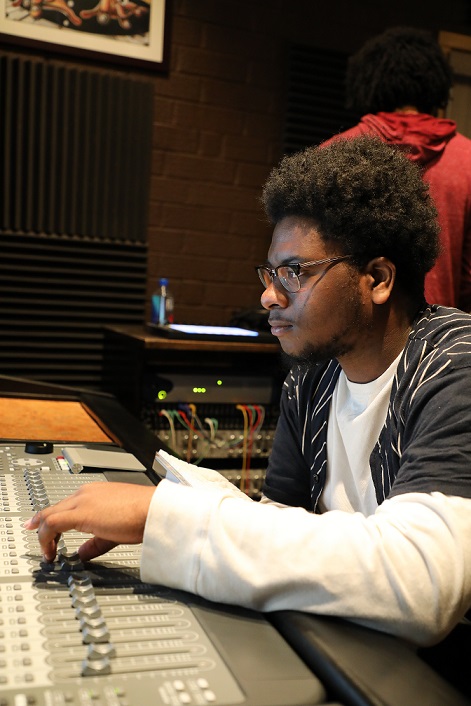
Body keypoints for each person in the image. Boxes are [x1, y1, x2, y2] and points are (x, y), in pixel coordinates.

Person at [25, 136, 471, 647]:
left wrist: (162, 516)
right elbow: (280, 521)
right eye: (270, 272)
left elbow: (425, 582)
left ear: (377, 278)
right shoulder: (313, 378)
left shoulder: (455, 367)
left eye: (295, 273)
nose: (268, 295)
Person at [325, 26, 471, 311]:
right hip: (441, 343)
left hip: (351, 338)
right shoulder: (467, 159)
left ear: (368, 81)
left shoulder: (333, 154)